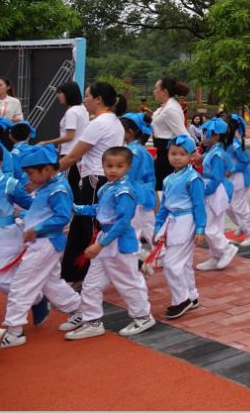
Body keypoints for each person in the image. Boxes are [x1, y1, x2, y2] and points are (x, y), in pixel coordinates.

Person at [0, 145, 82, 353]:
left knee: (22, 285)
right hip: (41, 242)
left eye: (31, 173)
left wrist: (37, 228)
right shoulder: (47, 186)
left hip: (47, 242)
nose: (28, 177)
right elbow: (37, 211)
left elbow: (62, 217)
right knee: (51, 283)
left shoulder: (58, 189)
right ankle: (82, 310)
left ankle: (15, 331)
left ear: (46, 170)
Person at [62, 146, 155, 340]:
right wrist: (77, 208)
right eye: (109, 166)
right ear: (102, 166)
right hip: (104, 243)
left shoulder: (125, 191)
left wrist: (100, 244)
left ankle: (143, 316)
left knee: (128, 282)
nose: (113, 170)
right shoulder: (107, 187)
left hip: (119, 244)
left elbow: (122, 221)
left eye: (119, 166)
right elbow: (100, 209)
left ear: (127, 167)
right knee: (90, 284)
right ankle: (93, 321)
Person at [57, 82, 128, 284]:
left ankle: (89, 275)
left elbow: (72, 157)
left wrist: (47, 174)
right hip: (99, 180)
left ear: (98, 99)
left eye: (88, 95)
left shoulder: (98, 124)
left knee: (90, 229)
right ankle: (73, 274)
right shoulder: (112, 121)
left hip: (96, 181)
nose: (85, 99)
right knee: (81, 225)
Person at [153, 134, 206, 320]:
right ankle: (191, 295)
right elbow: (164, 207)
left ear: (191, 156)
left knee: (171, 264)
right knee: (183, 264)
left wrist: (200, 229)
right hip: (173, 221)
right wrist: (158, 226)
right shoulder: (168, 179)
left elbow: (199, 205)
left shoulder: (193, 179)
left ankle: (181, 299)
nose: (176, 157)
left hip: (186, 221)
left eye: (182, 154)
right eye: (173, 153)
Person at [195, 118, 238, 272]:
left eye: (207, 133)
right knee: (216, 225)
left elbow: (217, 177)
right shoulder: (214, 151)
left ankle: (226, 248)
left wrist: (203, 191)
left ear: (216, 135)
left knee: (206, 224)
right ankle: (216, 255)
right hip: (213, 189)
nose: (203, 135)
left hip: (214, 190)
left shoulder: (217, 153)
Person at [120, 113, 158, 256]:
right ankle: (160, 253)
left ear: (129, 132)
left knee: (133, 227)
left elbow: (128, 176)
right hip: (145, 194)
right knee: (148, 226)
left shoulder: (132, 152)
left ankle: (134, 256)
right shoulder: (142, 151)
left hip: (135, 194)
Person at [224, 114, 250, 247]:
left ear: (229, 128)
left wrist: (231, 170)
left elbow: (245, 161)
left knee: (239, 207)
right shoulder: (226, 142)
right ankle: (243, 225)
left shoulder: (235, 144)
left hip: (240, 179)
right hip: (231, 180)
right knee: (227, 207)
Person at [150, 78, 190, 189]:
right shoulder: (165, 107)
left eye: (156, 88)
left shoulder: (170, 109)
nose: (154, 91)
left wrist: (193, 152)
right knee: (158, 187)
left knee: (161, 188)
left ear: (165, 91)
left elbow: (183, 134)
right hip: (161, 151)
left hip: (167, 153)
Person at [39, 82, 88, 157]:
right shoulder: (82, 108)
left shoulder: (71, 112)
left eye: (60, 93)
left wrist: (46, 143)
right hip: (79, 152)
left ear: (68, 94)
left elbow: (69, 136)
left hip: (69, 153)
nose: (58, 95)